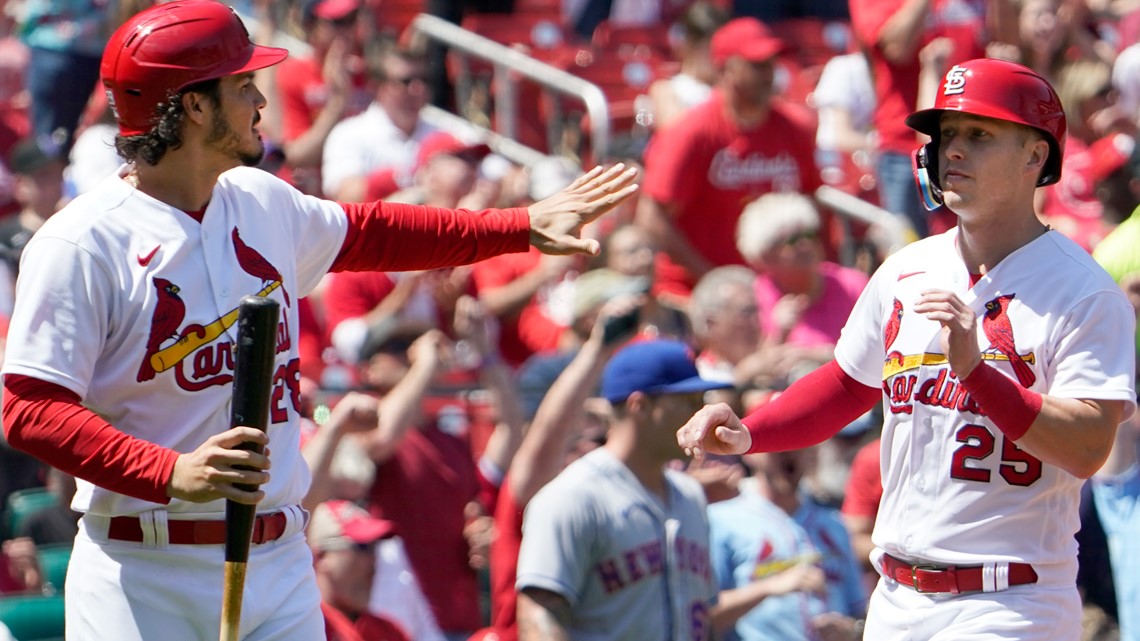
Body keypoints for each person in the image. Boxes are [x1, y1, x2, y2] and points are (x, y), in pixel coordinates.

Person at [0, 3, 639, 640]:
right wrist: (168, 472)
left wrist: (519, 226)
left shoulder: (260, 199)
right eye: (242, 84)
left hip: (278, 560)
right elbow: (27, 410)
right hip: (143, 567)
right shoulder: (81, 242)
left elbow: (375, 231)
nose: (260, 99)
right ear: (194, 107)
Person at [677, 58, 1137, 641]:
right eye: (946, 134)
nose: (953, 150)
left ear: (1035, 156)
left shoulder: (1083, 291)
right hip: (896, 600)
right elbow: (847, 384)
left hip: (1009, 601)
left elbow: (1088, 446)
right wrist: (752, 431)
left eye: (979, 134)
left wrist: (978, 374)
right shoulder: (908, 269)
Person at [515, 339, 730, 641]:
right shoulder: (572, 497)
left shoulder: (691, 496)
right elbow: (539, 618)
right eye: (689, 402)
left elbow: (704, 619)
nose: (700, 416)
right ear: (639, 405)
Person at [635, 16, 821, 299]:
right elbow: (652, 218)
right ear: (726, 68)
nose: (768, 74)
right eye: (756, 65)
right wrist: (713, 280)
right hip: (694, 294)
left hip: (775, 295)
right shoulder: (693, 131)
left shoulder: (794, 129)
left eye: (771, 64)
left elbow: (812, 200)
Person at [708, 447, 867, 641]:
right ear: (749, 453)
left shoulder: (834, 523)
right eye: (777, 445)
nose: (789, 453)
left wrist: (854, 630)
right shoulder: (721, 519)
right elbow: (704, 614)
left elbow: (859, 609)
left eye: (797, 444)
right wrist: (768, 587)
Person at [321, 46, 436, 201]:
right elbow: (347, 196)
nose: (418, 89)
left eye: (424, 80)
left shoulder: (444, 133)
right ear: (376, 86)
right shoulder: (349, 133)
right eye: (405, 81)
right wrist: (407, 181)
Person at [308, 499, 410, 641]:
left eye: (374, 548)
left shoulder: (390, 632)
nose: (372, 561)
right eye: (361, 547)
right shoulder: (302, 623)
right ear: (322, 557)